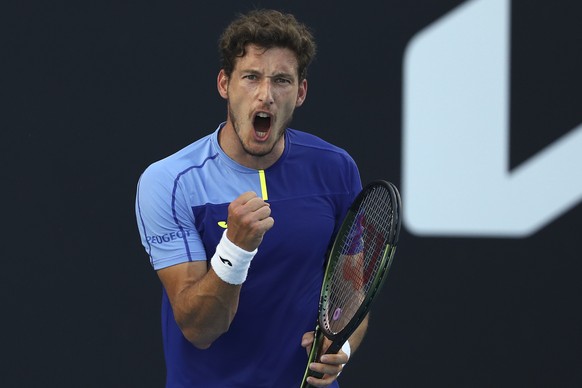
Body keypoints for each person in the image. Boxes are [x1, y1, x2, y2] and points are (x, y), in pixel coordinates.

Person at [135, 9, 368, 387]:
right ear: (224, 84)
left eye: (281, 81)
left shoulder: (337, 169)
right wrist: (235, 251)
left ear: (301, 92)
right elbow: (200, 329)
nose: (266, 95)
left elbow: (353, 287)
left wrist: (342, 346)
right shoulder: (168, 182)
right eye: (251, 77)